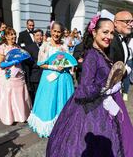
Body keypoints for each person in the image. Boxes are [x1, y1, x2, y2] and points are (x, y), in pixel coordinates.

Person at [46, 17, 133, 157]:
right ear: (94, 32)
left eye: (111, 33)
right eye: (105, 32)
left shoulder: (101, 53)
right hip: (93, 109)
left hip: (105, 103)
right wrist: (106, 86)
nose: (109, 37)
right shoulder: (92, 56)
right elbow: (83, 90)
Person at [27, 21, 74, 137]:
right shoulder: (45, 45)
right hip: (49, 79)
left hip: (64, 78)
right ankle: (51, 127)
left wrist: (69, 67)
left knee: (63, 100)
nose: (56, 34)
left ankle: (63, 125)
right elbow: (40, 64)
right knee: (50, 101)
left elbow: (68, 60)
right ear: (51, 31)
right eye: (55, 31)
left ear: (62, 33)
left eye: (59, 32)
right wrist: (54, 67)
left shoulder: (63, 46)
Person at [0, 27, 32, 125]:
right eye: (11, 34)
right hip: (7, 75)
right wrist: (12, 62)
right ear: (6, 36)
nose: (14, 36)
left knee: (19, 94)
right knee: (9, 95)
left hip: (18, 73)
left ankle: (20, 114)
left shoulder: (17, 47)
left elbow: (22, 56)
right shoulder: (2, 48)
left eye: (14, 34)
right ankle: (9, 116)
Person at [110, 11, 133, 101]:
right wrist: (126, 70)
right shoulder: (111, 39)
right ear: (116, 23)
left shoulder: (124, 39)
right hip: (108, 90)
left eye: (132, 22)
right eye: (127, 21)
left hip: (117, 87)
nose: (131, 25)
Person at [25, 29, 43, 103]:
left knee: (43, 95)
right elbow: (27, 63)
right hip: (35, 76)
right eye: (37, 35)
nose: (39, 37)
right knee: (35, 96)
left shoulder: (46, 46)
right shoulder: (29, 47)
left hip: (45, 75)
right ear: (34, 36)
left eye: (41, 35)